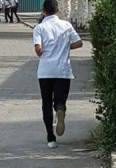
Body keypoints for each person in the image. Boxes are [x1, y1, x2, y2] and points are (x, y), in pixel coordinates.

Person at [33, 0, 83, 148]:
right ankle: (60, 110)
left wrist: (44, 51)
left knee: (46, 103)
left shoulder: (39, 28)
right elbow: (79, 43)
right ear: (58, 10)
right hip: (63, 71)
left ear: (43, 11)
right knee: (59, 100)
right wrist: (65, 47)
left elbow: (38, 49)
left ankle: (50, 138)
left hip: (45, 71)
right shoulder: (66, 26)